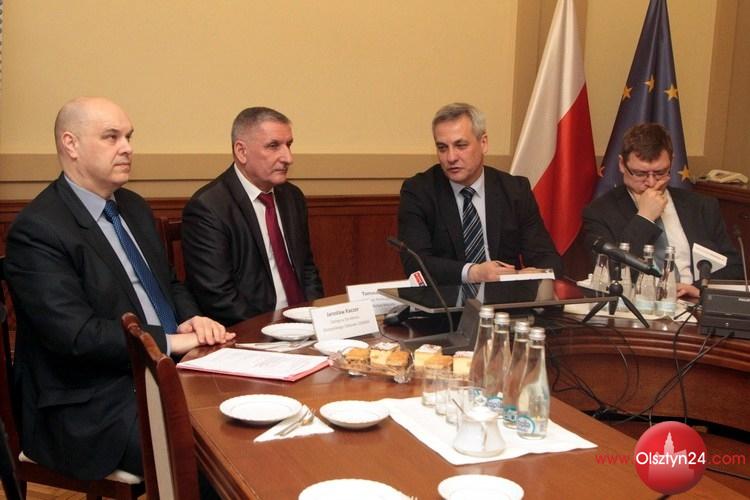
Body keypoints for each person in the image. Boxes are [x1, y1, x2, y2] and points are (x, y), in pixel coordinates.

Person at [4, 97, 234, 481]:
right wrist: (168, 342)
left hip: (166, 372)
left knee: (249, 417)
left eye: (129, 136)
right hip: (90, 402)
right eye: (111, 137)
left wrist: (192, 318)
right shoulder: (38, 229)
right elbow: (75, 336)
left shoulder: (134, 207)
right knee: (209, 459)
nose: (127, 148)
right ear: (71, 144)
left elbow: (169, 284)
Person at [182, 107, 323, 325]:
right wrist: (272, 331)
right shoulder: (208, 207)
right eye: (273, 146)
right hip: (252, 329)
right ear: (241, 151)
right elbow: (219, 297)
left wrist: (315, 318)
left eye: (289, 145)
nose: (288, 158)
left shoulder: (292, 197)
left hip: (302, 326)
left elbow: (307, 270)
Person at [397, 102, 562, 285]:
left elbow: (548, 258)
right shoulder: (419, 191)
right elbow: (415, 264)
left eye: (461, 145)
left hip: (506, 299)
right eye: (442, 148)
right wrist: (473, 273)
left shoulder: (514, 190)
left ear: (483, 143)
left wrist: (531, 274)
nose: (451, 157)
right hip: (447, 299)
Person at [583, 122, 743, 298]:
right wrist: (644, 218)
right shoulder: (600, 212)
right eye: (640, 174)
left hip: (694, 303)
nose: (651, 182)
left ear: (671, 162)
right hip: (636, 305)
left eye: (660, 172)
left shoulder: (701, 206)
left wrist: (698, 289)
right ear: (622, 164)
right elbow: (611, 272)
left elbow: (734, 268)